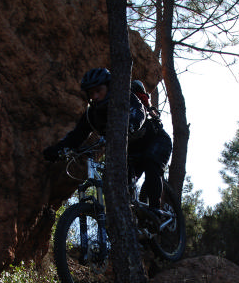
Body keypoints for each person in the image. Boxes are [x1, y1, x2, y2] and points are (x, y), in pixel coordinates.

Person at [43, 68, 173, 210]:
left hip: (156, 140)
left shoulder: (124, 98)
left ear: (109, 87)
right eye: (91, 93)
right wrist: (56, 150)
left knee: (151, 162)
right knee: (115, 181)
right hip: (131, 153)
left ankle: (156, 210)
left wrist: (130, 125)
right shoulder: (91, 115)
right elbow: (75, 137)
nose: (95, 96)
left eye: (99, 90)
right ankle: (130, 215)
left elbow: (139, 113)